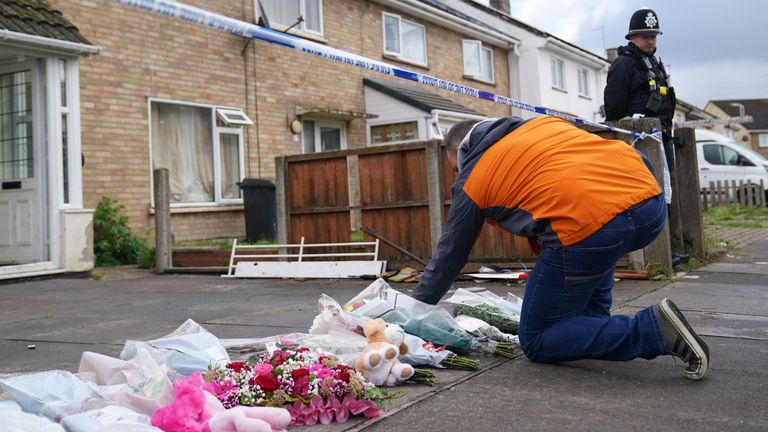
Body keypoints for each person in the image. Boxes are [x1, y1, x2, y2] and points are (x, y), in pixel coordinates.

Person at [411, 116, 710, 380]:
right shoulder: (543, 126)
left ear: (460, 153)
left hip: (592, 226)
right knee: (587, 308)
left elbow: (450, 254)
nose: (456, 175)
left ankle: (653, 330)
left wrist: (411, 313)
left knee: (537, 338)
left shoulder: (473, 177)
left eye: (454, 168)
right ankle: (595, 330)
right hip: (650, 205)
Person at [603, 7, 688, 265]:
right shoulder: (624, 64)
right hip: (639, 142)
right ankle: (652, 253)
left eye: (653, 35)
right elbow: (614, 109)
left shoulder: (653, 63)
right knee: (645, 197)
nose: (650, 40)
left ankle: (664, 249)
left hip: (661, 137)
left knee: (664, 194)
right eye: (644, 36)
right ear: (632, 37)